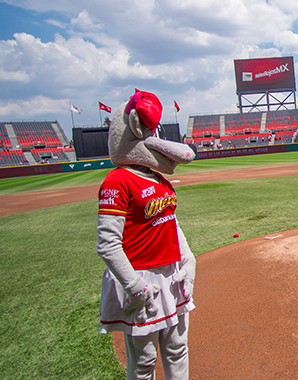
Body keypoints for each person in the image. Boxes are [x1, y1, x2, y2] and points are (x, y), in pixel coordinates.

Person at [97, 89, 197, 379]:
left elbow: (170, 221)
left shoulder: (158, 178)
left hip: (172, 274)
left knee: (178, 349)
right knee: (144, 361)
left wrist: (188, 260)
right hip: (142, 280)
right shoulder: (116, 181)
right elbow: (107, 244)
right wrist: (135, 286)